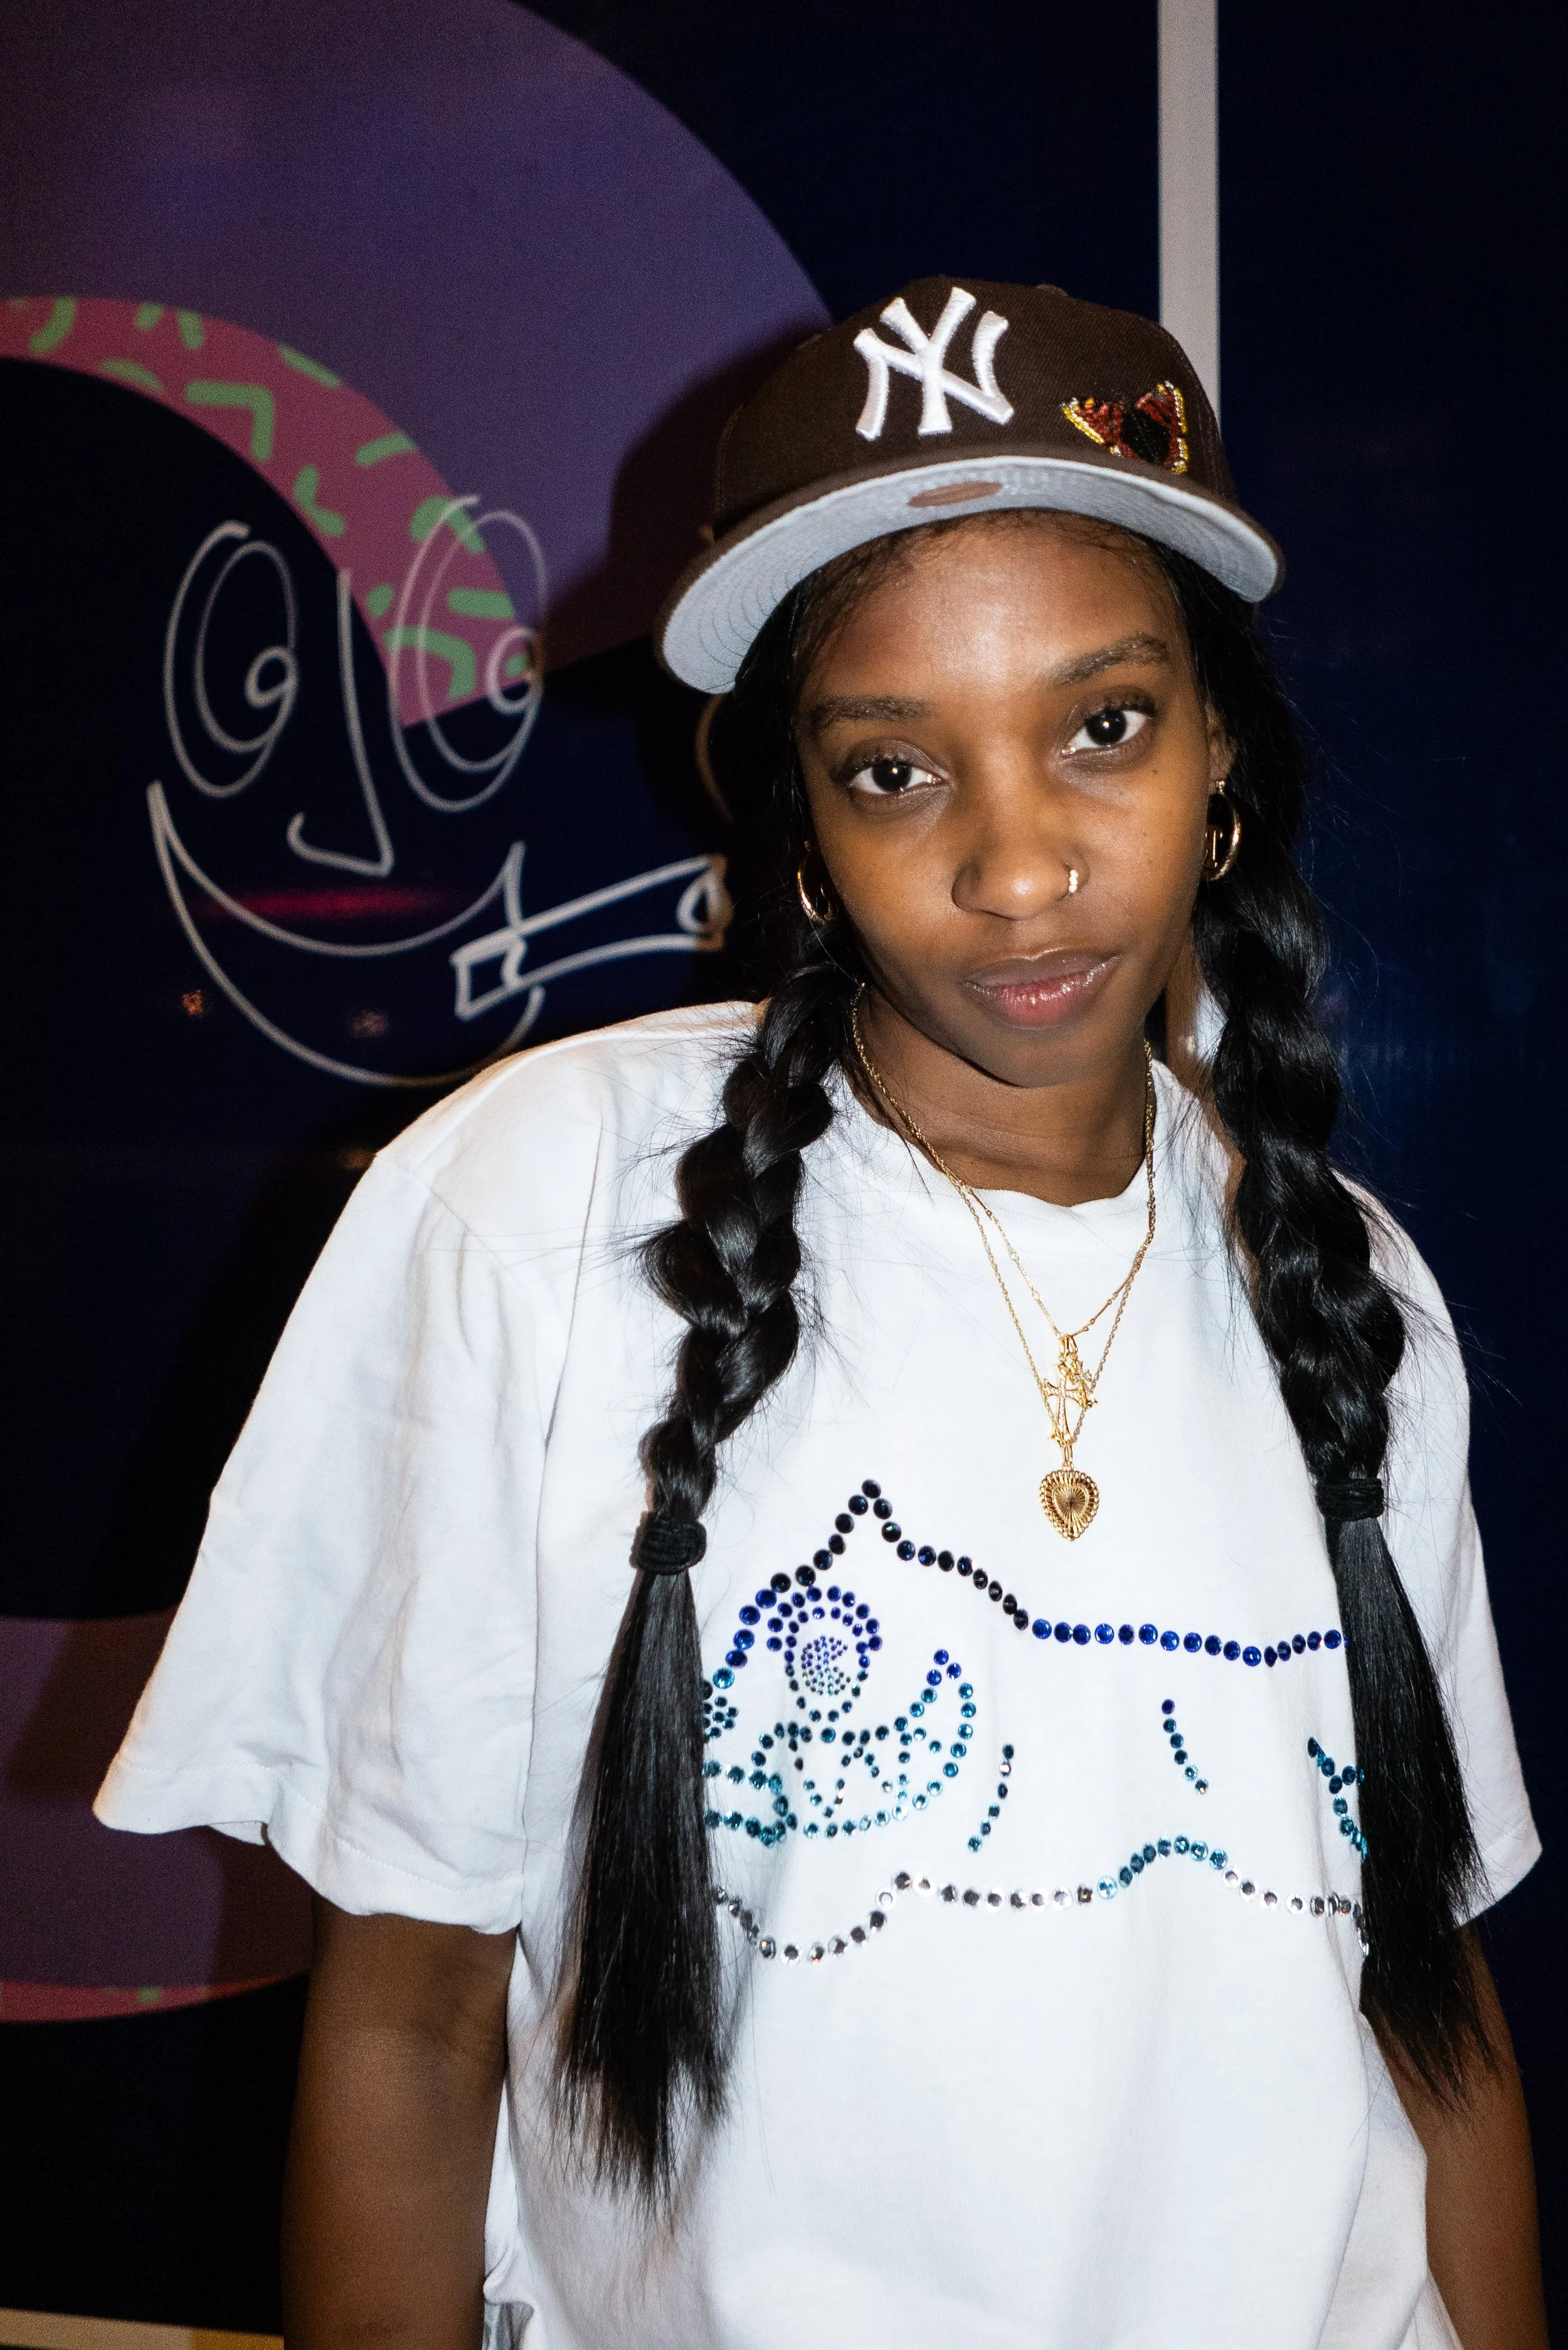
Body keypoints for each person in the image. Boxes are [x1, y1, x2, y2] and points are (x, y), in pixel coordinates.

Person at [98, 280, 1547, 2350]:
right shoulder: (540, 1208)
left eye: (1103, 727)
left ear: (1220, 747)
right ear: (794, 817)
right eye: (892, 769)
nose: (1017, 867)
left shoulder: (1351, 1284)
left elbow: (1429, 2005)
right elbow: (407, 2028)